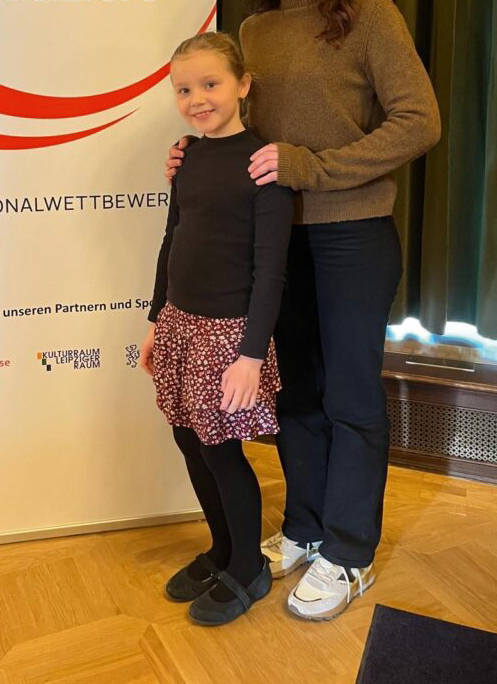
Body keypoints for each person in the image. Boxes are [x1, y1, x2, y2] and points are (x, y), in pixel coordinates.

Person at [166, 0, 441, 621]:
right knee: (295, 396)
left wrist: (313, 168)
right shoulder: (255, 31)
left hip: (353, 235)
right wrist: (195, 157)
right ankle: (308, 527)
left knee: (350, 397)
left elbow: (419, 121)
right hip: (277, 243)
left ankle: (350, 553)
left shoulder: (370, 13)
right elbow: (243, 136)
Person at [140, 31, 294, 627]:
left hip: (228, 336)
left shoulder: (264, 165)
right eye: (184, 89)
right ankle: (223, 549)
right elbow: (171, 240)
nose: (197, 98)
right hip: (179, 324)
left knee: (220, 451)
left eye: (210, 84)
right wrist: (156, 319)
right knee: (187, 439)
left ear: (243, 85)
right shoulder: (187, 157)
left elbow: (270, 271)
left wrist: (250, 355)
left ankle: (249, 567)